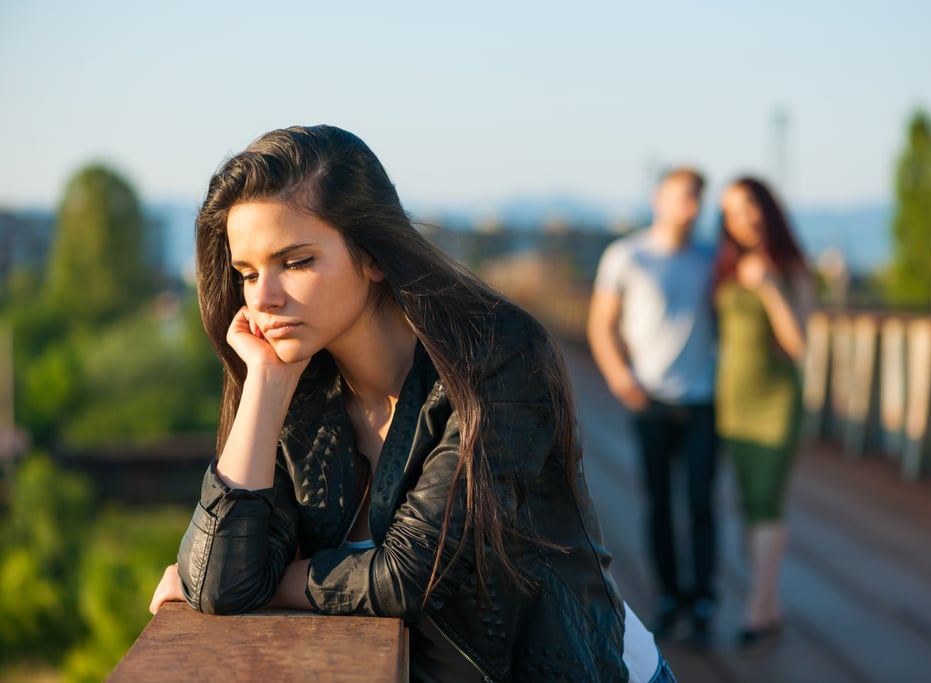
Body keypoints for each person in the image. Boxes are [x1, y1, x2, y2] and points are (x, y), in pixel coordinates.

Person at [148, 125, 677, 682]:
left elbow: (407, 575)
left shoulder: (496, 359)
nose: (263, 297)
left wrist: (266, 579)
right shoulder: (299, 387)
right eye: (248, 273)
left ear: (373, 254)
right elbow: (218, 580)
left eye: (297, 261)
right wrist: (264, 382)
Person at [587, 168, 718, 646]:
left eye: (698, 199)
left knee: (702, 502)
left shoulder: (712, 257)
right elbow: (601, 324)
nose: (691, 207)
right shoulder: (627, 255)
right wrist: (622, 379)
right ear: (658, 198)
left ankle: (702, 599)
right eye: (684, 197)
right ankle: (668, 595)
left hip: (704, 398)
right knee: (660, 501)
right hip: (652, 399)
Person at [712, 177, 815, 649]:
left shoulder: (792, 266)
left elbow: (798, 345)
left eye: (749, 206)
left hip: (776, 402)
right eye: (732, 211)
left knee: (768, 501)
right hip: (734, 402)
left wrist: (771, 287)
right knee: (750, 504)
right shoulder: (725, 267)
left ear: (766, 208)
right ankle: (770, 606)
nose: (743, 217)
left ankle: (755, 608)